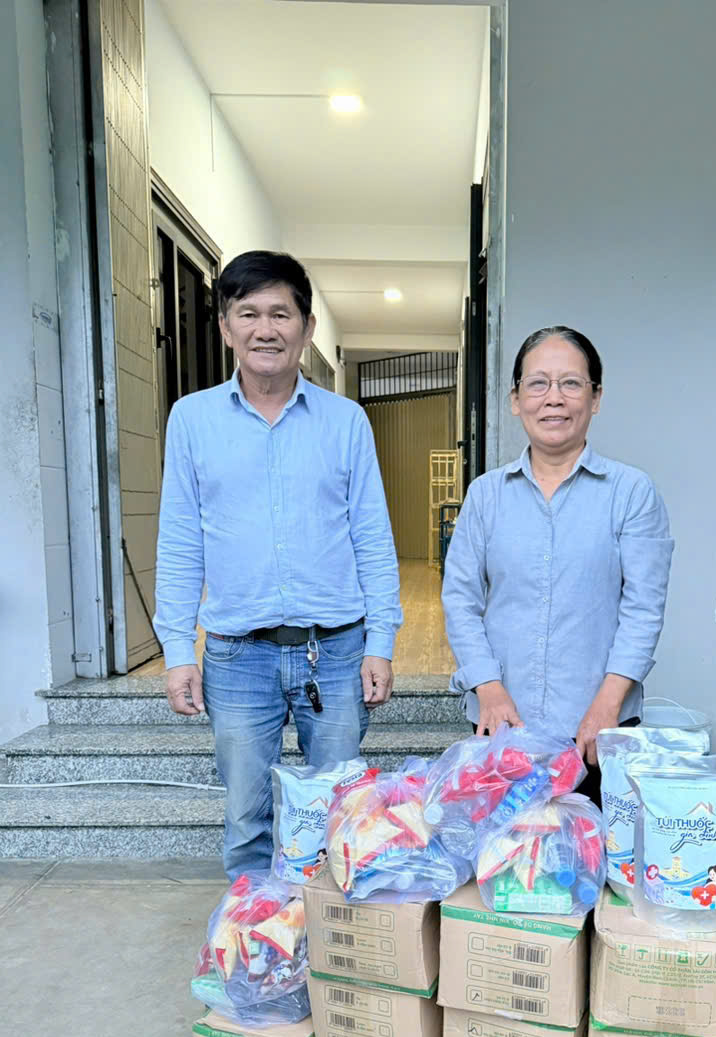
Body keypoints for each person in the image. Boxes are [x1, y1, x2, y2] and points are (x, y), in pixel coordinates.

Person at [154, 250, 401, 879]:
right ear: (225, 327)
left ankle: (335, 932)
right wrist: (178, 649)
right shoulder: (192, 420)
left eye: (281, 314)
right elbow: (180, 540)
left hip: (336, 652)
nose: (266, 329)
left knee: (342, 812)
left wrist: (381, 641)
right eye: (249, 313)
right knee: (247, 817)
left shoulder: (345, 421)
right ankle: (255, 931)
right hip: (237, 656)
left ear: (307, 327)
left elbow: (372, 537)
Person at [441, 325, 673, 806]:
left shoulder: (631, 492)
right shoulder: (486, 495)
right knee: (505, 851)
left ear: (596, 398)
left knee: (596, 851)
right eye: (538, 383)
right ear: (515, 399)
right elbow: (460, 600)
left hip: (598, 729)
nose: (554, 398)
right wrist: (488, 688)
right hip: (503, 725)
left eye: (571, 383)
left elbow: (643, 608)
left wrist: (607, 704)